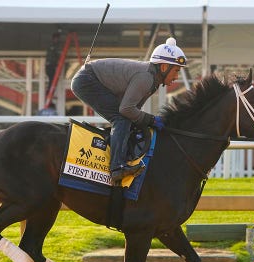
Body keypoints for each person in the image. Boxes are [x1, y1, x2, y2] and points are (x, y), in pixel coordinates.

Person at [71, 37, 186, 185]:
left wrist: (146, 121)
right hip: (87, 80)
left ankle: (116, 155)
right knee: (122, 118)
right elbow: (126, 109)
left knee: (126, 119)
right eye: (176, 71)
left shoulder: (153, 80)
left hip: (90, 77)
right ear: (164, 67)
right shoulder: (146, 78)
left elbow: (134, 110)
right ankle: (117, 168)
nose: (177, 77)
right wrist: (152, 120)